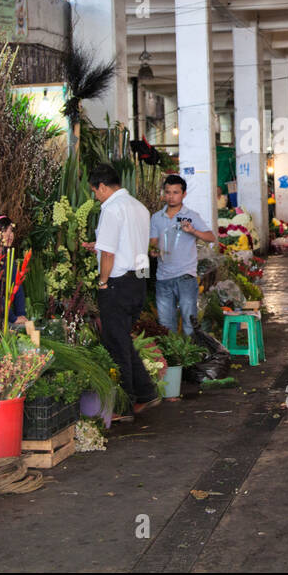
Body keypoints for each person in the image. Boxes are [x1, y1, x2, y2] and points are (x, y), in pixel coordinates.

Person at [90, 162, 159, 418]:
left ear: (103, 187)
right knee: (123, 340)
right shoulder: (139, 207)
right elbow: (132, 245)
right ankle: (146, 393)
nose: (95, 196)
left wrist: (103, 281)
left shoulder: (111, 209)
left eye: (95, 190)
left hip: (117, 284)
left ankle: (125, 405)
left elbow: (109, 252)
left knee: (116, 344)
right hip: (138, 280)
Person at [149, 174, 215, 336]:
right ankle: (174, 357)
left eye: (175, 192)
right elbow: (153, 242)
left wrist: (193, 230)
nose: (171, 196)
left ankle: (191, 357)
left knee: (189, 323)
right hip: (163, 278)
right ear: (164, 194)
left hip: (185, 276)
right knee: (165, 325)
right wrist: (153, 250)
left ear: (183, 194)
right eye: (168, 192)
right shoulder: (157, 218)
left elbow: (211, 237)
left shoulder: (191, 216)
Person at [0, 215, 28, 330]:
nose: (10, 235)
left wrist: (21, 314)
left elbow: (17, 285)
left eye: (11, 230)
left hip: (7, 316)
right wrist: (13, 318)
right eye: (4, 231)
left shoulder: (8, 255)